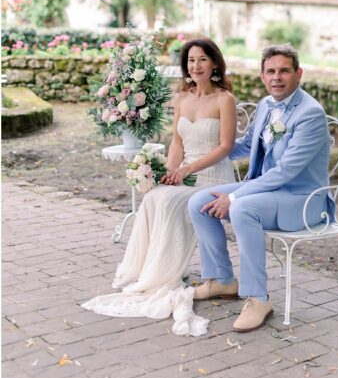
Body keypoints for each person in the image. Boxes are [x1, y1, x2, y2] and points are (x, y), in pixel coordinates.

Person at [83, 38, 237, 336]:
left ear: (214, 63)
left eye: (203, 59)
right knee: (155, 195)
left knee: (168, 202)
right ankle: (152, 270)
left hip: (214, 176)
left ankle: (167, 271)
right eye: (191, 60)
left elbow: (226, 147)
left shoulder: (224, 99)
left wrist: (187, 170)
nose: (196, 66)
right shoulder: (182, 98)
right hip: (184, 172)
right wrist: (168, 171)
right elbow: (177, 142)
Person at [187, 45, 334, 333]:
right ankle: (222, 280)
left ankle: (258, 299)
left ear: (298, 74)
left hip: (301, 199)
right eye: (271, 71)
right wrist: (209, 148)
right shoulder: (267, 105)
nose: (277, 77)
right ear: (262, 76)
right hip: (266, 190)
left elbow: (286, 171)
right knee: (198, 201)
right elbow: (243, 145)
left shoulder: (310, 113)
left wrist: (234, 195)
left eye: (284, 71)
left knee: (242, 208)